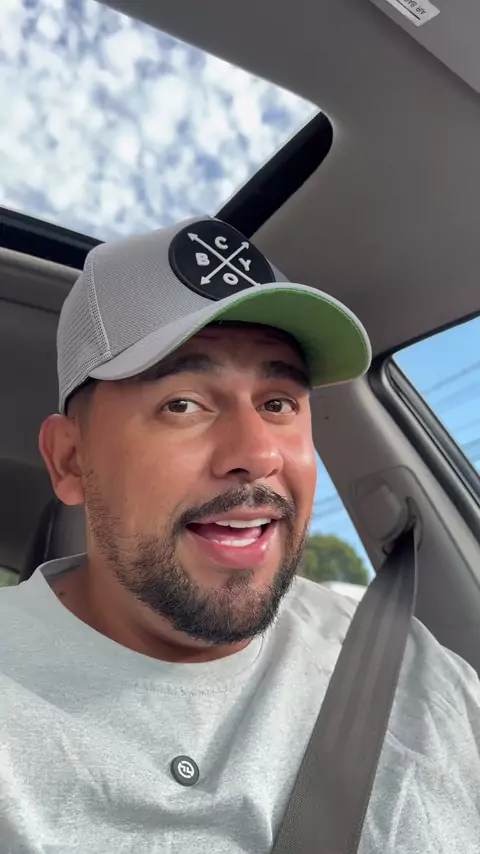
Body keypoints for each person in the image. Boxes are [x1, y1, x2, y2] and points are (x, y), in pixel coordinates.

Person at [0, 217, 479, 854]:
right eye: (182, 403)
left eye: (278, 403)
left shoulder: (413, 666)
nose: (257, 454)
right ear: (70, 461)